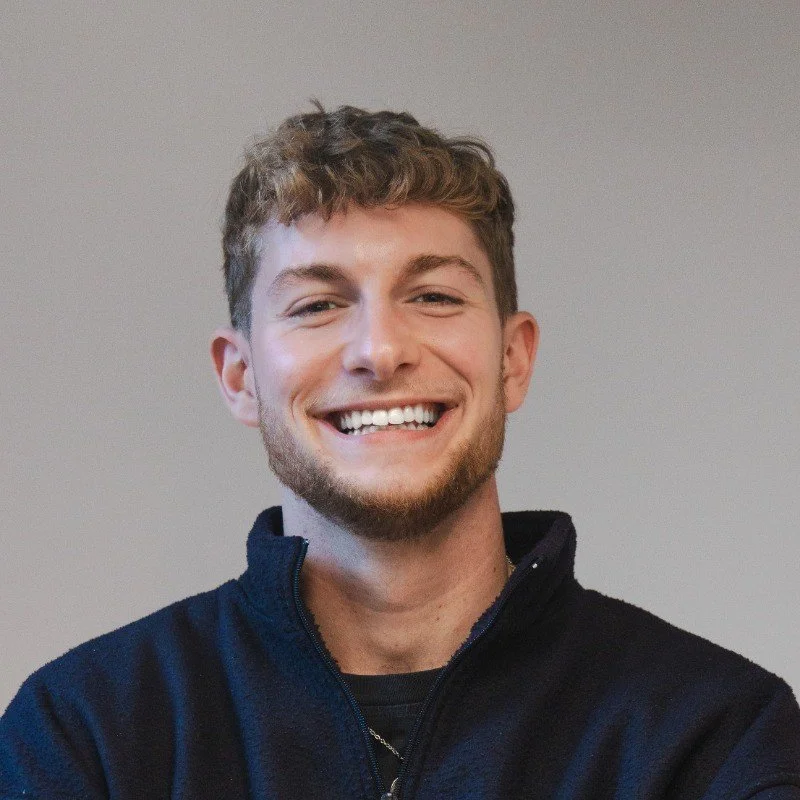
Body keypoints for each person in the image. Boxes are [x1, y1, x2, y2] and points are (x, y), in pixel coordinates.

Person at [1, 103, 798, 800]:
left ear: (514, 359)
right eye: (317, 304)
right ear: (240, 376)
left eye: (434, 297)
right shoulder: (87, 733)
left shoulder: (712, 738)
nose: (380, 351)